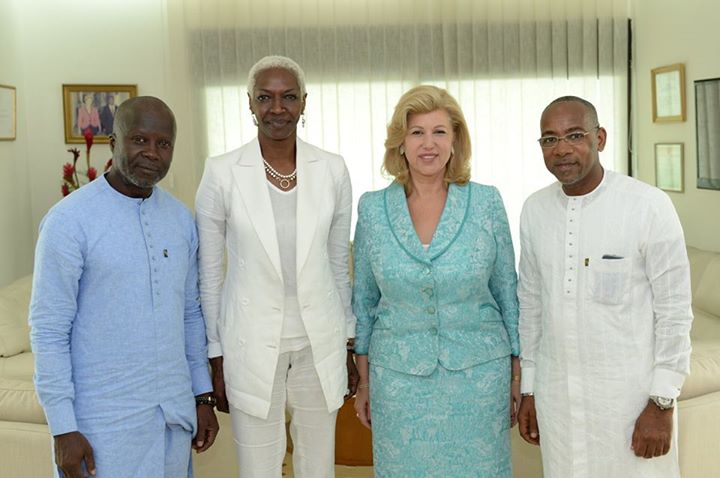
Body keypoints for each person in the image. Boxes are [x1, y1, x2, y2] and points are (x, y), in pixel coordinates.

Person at [30, 96, 219, 478]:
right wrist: (63, 427)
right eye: (139, 140)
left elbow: (190, 314)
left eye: (163, 144)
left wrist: (203, 396)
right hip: (103, 428)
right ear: (113, 143)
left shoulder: (181, 221)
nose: (152, 152)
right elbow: (49, 331)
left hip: (173, 417)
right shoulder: (69, 222)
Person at [195, 55, 357, 478]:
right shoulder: (221, 173)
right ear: (250, 103)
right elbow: (210, 275)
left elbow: (339, 264)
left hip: (317, 342)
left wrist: (349, 341)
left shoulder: (333, 170)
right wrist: (215, 355)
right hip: (249, 343)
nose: (277, 108)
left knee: (318, 467)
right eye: (265, 97)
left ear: (304, 103)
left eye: (288, 97)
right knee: (258, 468)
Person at [517, 96, 693, 477]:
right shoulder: (534, 210)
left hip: (629, 401)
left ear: (600, 138)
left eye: (574, 135)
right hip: (559, 399)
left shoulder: (648, 206)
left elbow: (675, 311)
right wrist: (529, 390)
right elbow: (530, 306)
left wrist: (662, 403)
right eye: (549, 139)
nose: (561, 149)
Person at [352, 85, 521, 477]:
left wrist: (517, 377)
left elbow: (508, 294)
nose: (429, 144)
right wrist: (364, 383)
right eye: (417, 132)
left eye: (440, 132)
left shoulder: (487, 202)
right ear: (401, 143)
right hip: (398, 382)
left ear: (456, 140)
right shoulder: (373, 209)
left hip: (478, 381)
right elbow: (363, 301)